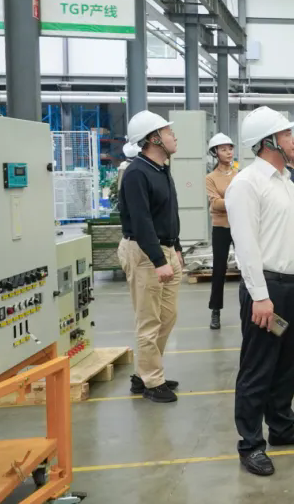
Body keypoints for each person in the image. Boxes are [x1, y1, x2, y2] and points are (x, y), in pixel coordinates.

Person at [226, 107, 294, 477]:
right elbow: (246, 246)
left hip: (293, 291)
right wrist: (260, 296)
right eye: (287, 135)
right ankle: (250, 444)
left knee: (287, 363)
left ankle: (281, 426)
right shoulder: (247, 184)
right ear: (268, 142)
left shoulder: (286, 180)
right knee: (258, 368)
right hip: (267, 293)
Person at [119, 111, 183, 403]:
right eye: (168, 132)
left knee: (167, 317)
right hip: (145, 252)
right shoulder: (137, 173)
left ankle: (143, 372)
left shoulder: (161, 169)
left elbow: (168, 213)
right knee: (149, 320)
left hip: (166, 249)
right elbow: (142, 221)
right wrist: (159, 261)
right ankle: (152, 381)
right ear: (154, 138)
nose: (174, 136)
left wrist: (176, 247)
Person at [205, 132, 238, 331]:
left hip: (239, 225)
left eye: (230, 148)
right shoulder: (211, 178)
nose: (228, 152)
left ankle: (252, 306)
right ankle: (215, 311)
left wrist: (225, 203)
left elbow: (222, 202)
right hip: (220, 228)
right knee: (219, 270)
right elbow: (215, 204)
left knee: (249, 266)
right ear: (215, 153)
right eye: (223, 149)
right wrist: (235, 202)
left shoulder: (239, 174)